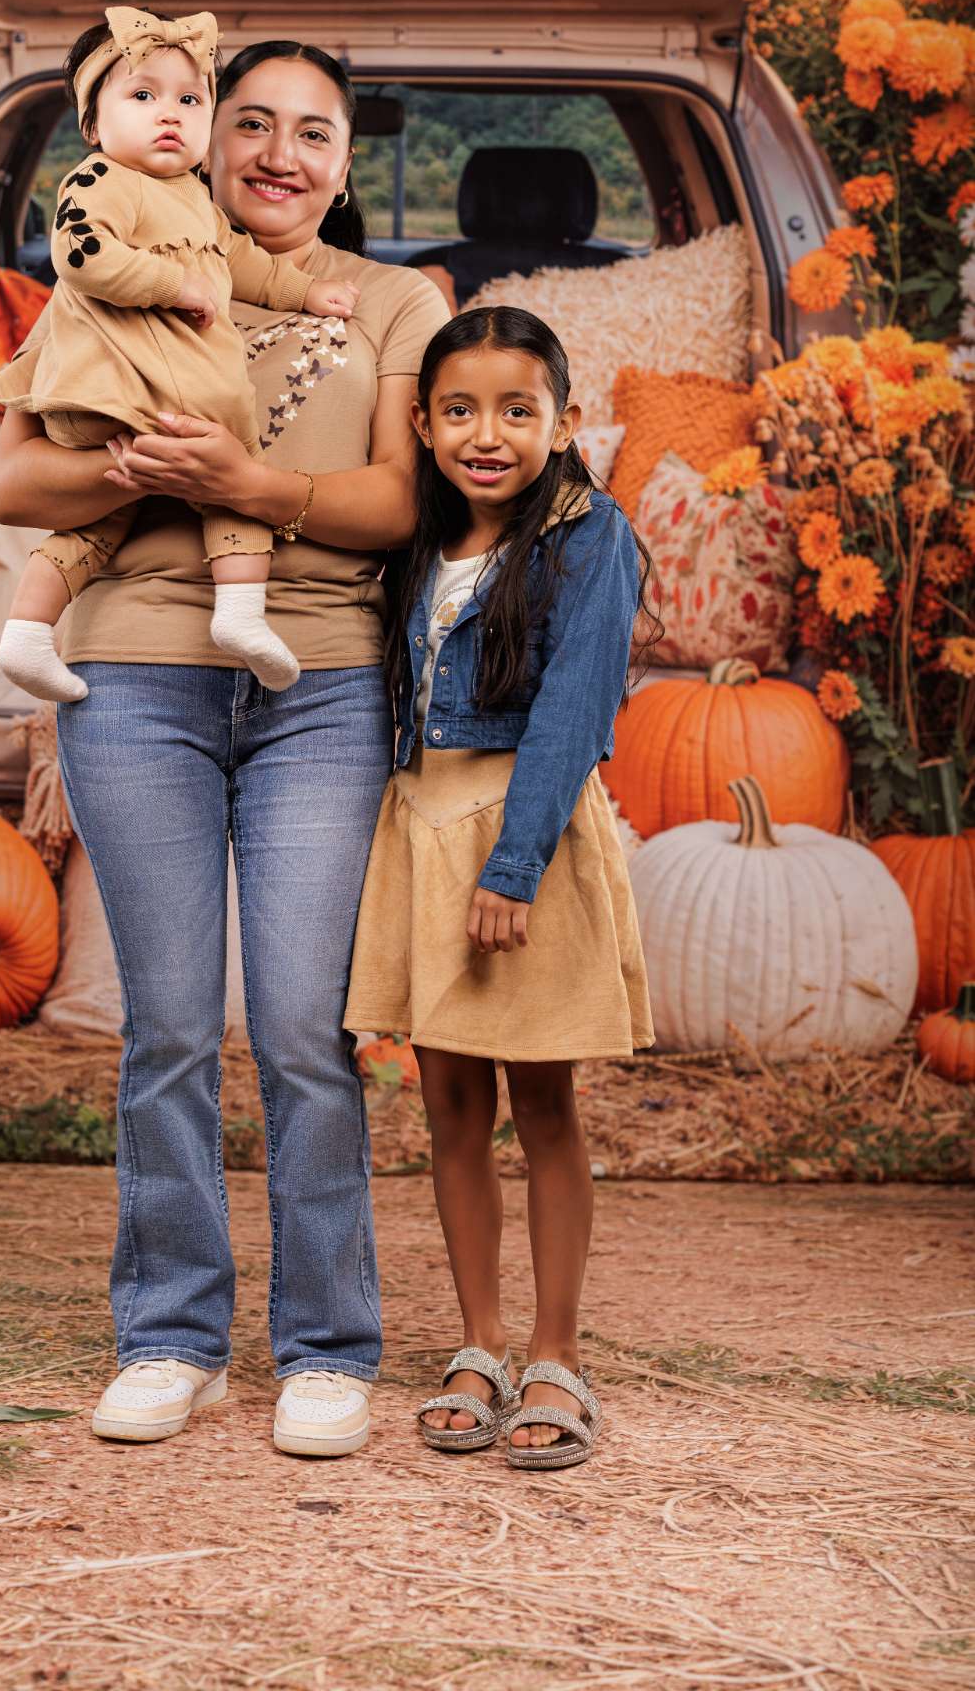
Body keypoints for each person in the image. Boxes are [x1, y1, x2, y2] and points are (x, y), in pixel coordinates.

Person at [0, 39, 450, 1457]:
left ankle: (324, 1347)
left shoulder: (392, 303)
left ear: (345, 159)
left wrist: (246, 484)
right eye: (247, 121)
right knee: (170, 1025)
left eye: (312, 131)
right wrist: (133, 471)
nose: (275, 153)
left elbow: (395, 502)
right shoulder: (116, 244)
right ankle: (171, 1335)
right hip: (133, 677)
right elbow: (13, 479)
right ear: (193, 132)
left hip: (318, 685)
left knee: (305, 1029)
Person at [344, 305, 657, 1470]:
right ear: (421, 425)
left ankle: (555, 1349)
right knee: (449, 1110)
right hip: (421, 825)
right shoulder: (418, 541)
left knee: (545, 1104)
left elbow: (575, 711)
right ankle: (477, 1341)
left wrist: (514, 864)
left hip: (517, 835)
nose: (489, 434)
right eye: (461, 410)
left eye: (518, 410)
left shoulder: (588, 537)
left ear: (563, 421)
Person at [0, 6, 357, 704]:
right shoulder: (100, 181)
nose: (169, 115)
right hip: (120, 392)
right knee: (234, 471)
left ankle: (26, 634)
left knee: (98, 526)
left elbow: (240, 265)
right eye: (142, 96)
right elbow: (81, 253)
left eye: (189, 100)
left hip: (142, 407)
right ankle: (242, 614)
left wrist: (306, 294)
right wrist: (171, 282)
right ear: (94, 127)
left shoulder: (191, 202)